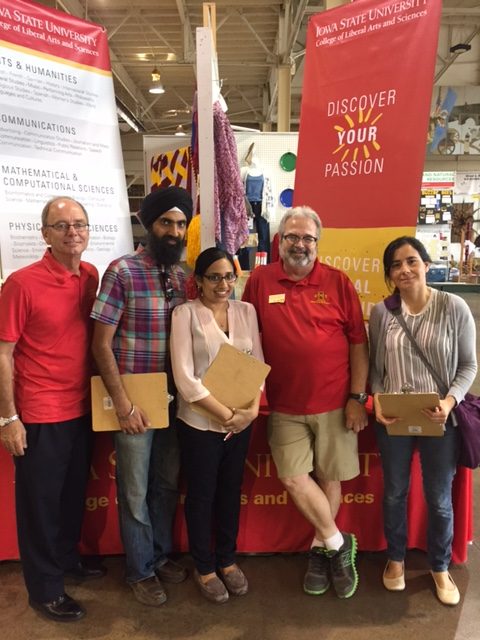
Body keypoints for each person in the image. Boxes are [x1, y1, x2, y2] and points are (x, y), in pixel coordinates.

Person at [242, 205, 369, 599]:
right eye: (293, 237)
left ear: (318, 242)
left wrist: (357, 398)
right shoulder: (260, 281)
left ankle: (320, 549)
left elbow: (358, 345)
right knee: (294, 478)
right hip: (283, 406)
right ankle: (337, 542)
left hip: (335, 403)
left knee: (328, 477)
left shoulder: (338, 282)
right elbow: (246, 339)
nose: (300, 244)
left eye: (308, 238)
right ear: (280, 240)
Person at [0, 197, 103, 623]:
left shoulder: (91, 276)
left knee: (69, 499)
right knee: (39, 507)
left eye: (79, 224)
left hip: (82, 409)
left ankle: (66, 561)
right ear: (44, 234)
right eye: (61, 226)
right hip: (40, 413)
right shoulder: (21, 284)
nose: (72, 232)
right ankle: (44, 590)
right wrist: (8, 418)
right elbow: (3, 354)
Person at [90, 186, 192, 606]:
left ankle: (160, 553)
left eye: (181, 223)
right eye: (166, 222)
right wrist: (124, 405)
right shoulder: (122, 271)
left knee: (166, 485)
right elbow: (100, 345)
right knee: (134, 491)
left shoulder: (184, 276)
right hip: (134, 400)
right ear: (149, 224)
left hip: (176, 400)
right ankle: (140, 569)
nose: (173, 230)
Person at [369, 236, 477, 606]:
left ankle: (440, 566)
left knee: (439, 498)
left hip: (440, 419)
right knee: (395, 492)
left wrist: (449, 402)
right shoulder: (382, 313)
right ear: (389, 274)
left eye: (411, 261)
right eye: (396, 265)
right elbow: (376, 368)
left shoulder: (453, 307)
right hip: (395, 417)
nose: (404, 270)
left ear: (426, 265)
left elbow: (468, 365)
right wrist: (379, 401)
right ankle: (395, 560)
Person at [170, 247, 264, 604]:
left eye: (229, 276)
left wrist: (250, 411)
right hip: (199, 423)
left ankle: (227, 559)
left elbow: (258, 364)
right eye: (214, 277)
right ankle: (205, 567)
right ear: (198, 281)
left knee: (230, 491)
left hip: (242, 421)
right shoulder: (186, 314)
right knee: (202, 495)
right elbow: (185, 377)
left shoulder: (246, 312)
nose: (223, 284)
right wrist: (226, 415)